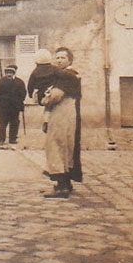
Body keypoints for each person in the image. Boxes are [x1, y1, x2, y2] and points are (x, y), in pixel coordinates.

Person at [41, 47, 82, 198]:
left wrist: (44, 98)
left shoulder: (69, 76)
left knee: (58, 147)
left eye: (63, 58)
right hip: (61, 116)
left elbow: (55, 97)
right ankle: (66, 184)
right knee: (63, 148)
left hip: (63, 117)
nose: (59, 61)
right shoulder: (64, 76)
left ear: (70, 60)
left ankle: (62, 187)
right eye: (57, 58)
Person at [0, 64, 26, 146]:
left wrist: (19, 103)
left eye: (11, 72)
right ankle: (1, 140)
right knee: (3, 123)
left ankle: (13, 139)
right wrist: (0, 103)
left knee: (14, 123)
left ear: (14, 73)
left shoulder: (19, 82)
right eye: (7, 72)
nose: (9, 74)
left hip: (15, 107)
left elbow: (23, 94)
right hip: (4, 107)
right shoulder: (1, 81)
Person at [26, 49, 58, 133]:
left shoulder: (35, 71)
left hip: (41, 95)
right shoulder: (54, 69)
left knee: (47, 107)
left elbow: (30, 85)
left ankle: (46, 121)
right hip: (53, 93)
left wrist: (31, 95)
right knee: (52, 107)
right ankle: (51, 122)